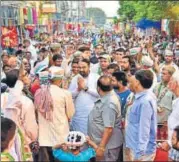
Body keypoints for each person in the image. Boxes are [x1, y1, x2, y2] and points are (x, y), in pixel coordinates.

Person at [35, 69, 75, 162]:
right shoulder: (65, 93)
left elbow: (36, 112)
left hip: (43, 137)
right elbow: (70, 113)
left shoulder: (39, 92)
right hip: (60, 136)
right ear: (60, 80)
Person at [88, 75, 123, 161]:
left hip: (106, 147)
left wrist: (101, 148)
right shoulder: (107, 97)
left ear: (98, 87)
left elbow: (109, 129)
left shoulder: (109, 103)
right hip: (100, 144)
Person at [125, 70, 157, 161]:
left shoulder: (145, 101)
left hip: (142, 152)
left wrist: (139, 154)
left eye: (131, 82)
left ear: (137, 83)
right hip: (135, 147)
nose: (129, 85)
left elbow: (144, 129)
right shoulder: (139, 98)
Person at [69, 59, 99, 135]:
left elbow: (100, 94)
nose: (81, 70)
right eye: (79, 67)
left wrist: (86, 88)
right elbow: (70, 95)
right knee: (80, 138)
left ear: (89, 67)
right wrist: (78, 89)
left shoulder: (96, 78)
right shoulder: (75, 79)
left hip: (93, 113)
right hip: (79, 114)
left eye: (84, 67)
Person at [160, 71, 179, 161]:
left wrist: (170, 143)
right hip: (173, 145)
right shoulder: (176, 101)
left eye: (171, 80)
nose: (169, 83)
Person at [153, 65, 176, 140]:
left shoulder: (174, 88)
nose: (162, 75)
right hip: (156, 119)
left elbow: (176, 106)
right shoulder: (157, 86)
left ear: (171, 75)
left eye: (164, 74)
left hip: (167, 121)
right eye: (161, 73)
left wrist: (169, 120)